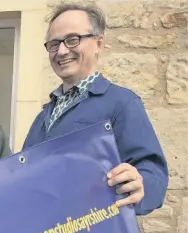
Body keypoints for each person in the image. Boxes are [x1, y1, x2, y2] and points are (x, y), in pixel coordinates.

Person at [22, 3, 168, 215]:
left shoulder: (122, 103)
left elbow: (153, 174)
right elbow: (22, 176)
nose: (62, 51)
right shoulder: (44, 115)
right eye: (54, 44)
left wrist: (142, 185)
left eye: (73, 40)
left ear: (98, 43)